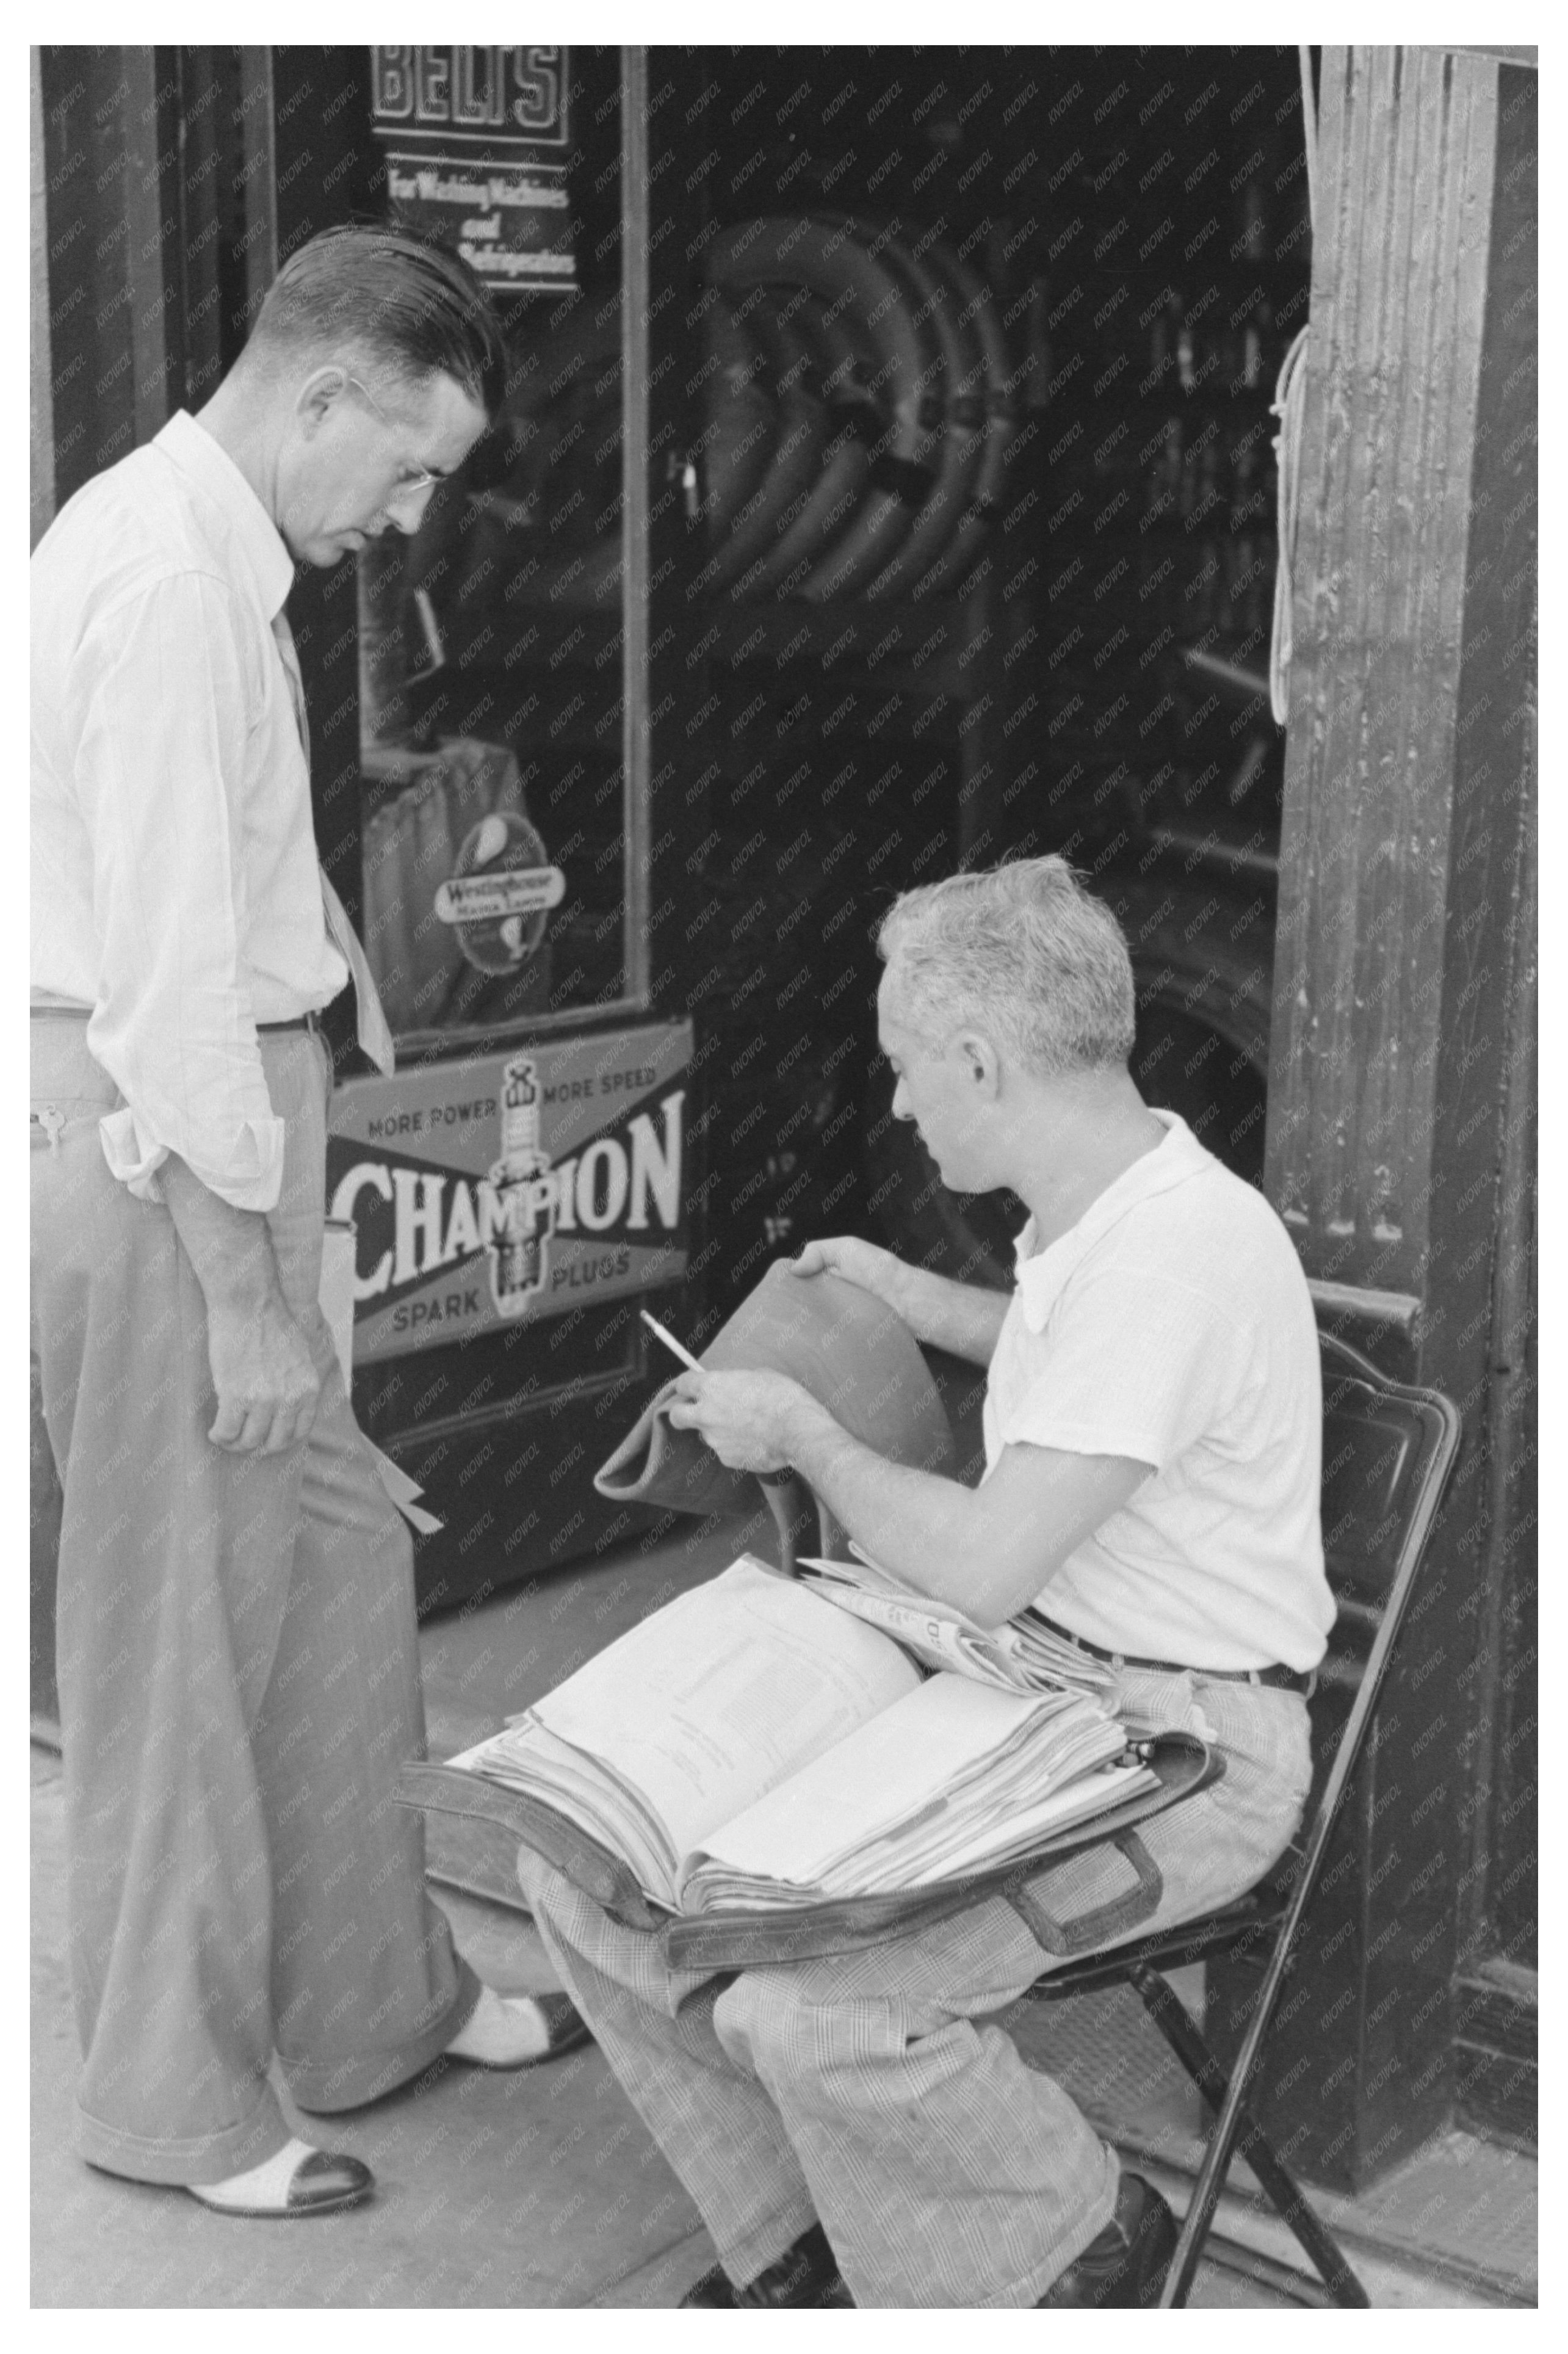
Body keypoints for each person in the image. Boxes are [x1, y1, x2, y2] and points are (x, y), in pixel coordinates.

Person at [518, 856, 1333, 2306]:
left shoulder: (1172, 1257)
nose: (895, 1102)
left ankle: (1075, 2236)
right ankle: (810, 2240)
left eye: (903, 1068)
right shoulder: (1114, 1190)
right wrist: (905, 1291)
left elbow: (978, 1552)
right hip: (1039, 1682)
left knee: (814, 2007)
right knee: (585, 1858)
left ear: (979, 1058)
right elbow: (1067, 1353)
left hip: (1185, 1745)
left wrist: (804, 1435)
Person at [31, 225, 588, 2222]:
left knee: (341, 1573)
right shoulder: (177, 585)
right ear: (325, 390)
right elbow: (165, 986)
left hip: (236, 1113)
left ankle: (372, 2003)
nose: (412, 514)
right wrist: (244, 1297)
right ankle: (173, 2100)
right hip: (169, 1154)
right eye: (410, 465)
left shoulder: (199, 553)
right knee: (172, 1640)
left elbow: (220, 902)